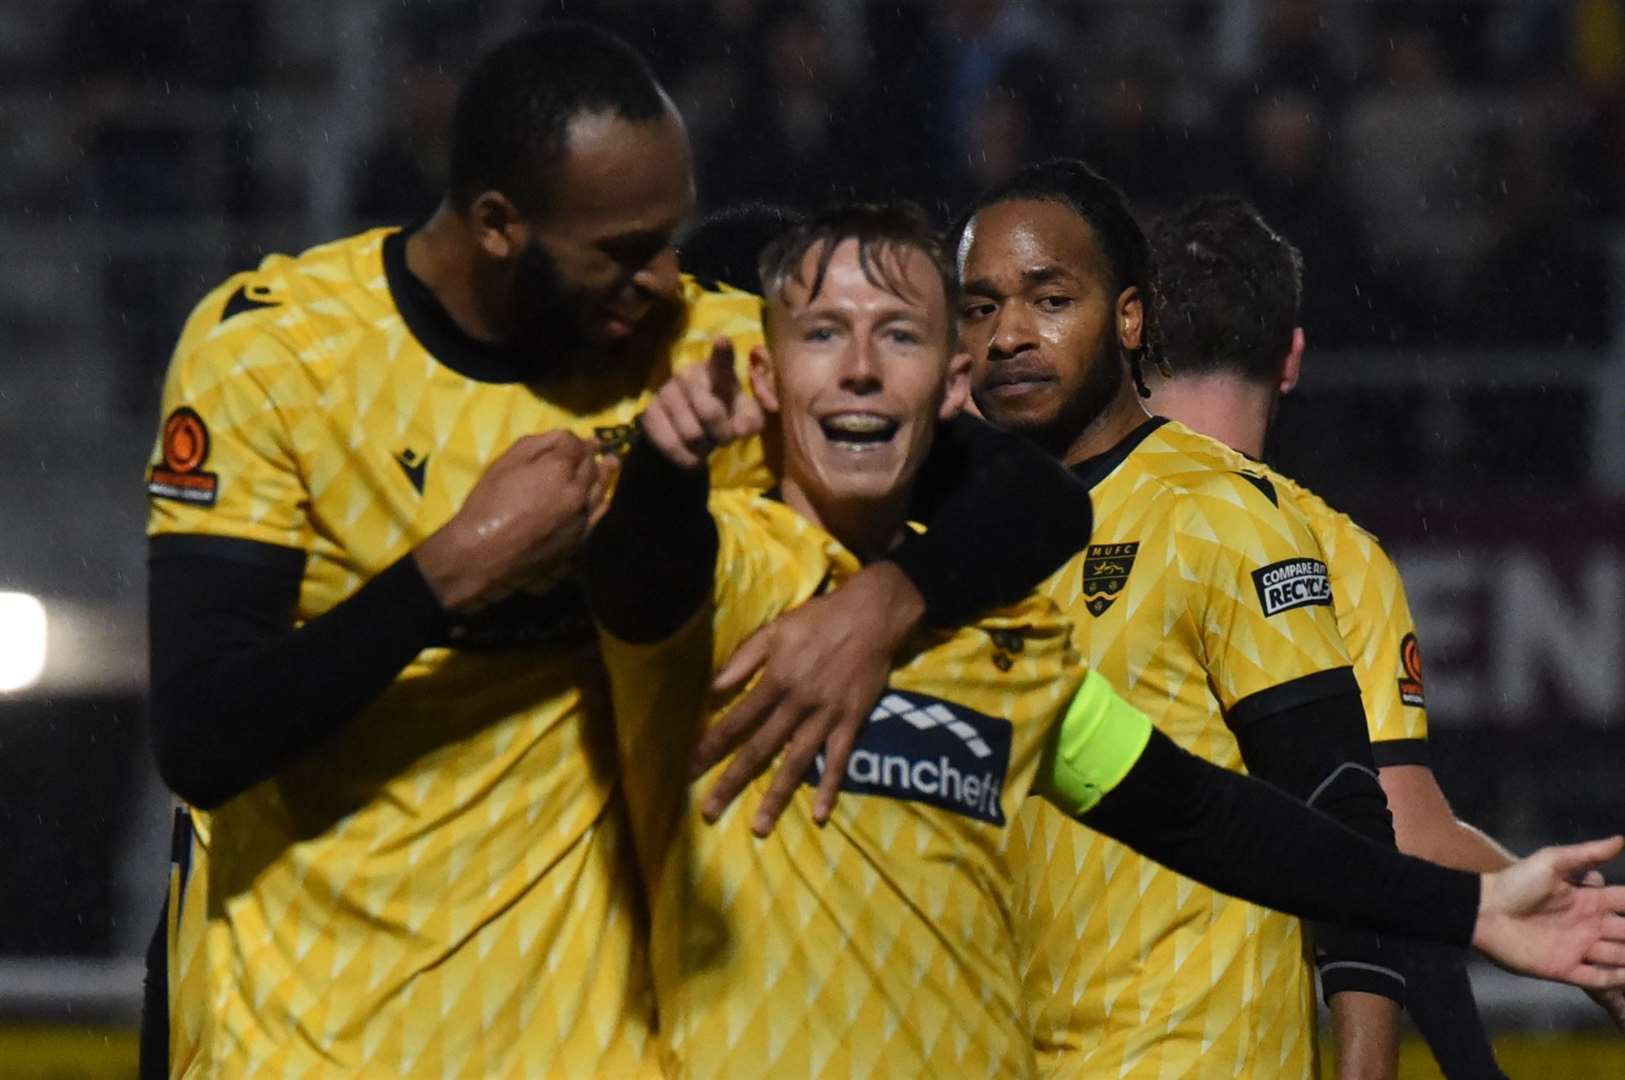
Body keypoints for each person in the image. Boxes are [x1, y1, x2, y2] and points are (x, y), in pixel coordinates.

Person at [140, 25, 1099, 1077]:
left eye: (669, 238)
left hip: (577, 1046)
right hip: (314, 1040)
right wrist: (449, 573)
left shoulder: (700, 355)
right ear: (499, 225)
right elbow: (203, 736)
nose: (662, 278)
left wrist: (880, 602)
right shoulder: (278, 355)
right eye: (622, 251)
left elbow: (1032, 501)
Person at [589, 200, 1625, 1078]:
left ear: (951, 386)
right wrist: (663, 466)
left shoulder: (1006, 642)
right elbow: (637, 578)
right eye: (821, 335)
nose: (859, 369)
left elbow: (1203, 812)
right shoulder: (723, 576)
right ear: (763, 378)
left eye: (897, 337)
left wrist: (1471, 908)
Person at [1142, 193, 1625, 1071]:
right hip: (1226, 1044)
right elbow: (1399, 832)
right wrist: (1571, 924)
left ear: (1127, 341)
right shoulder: (1328, 554)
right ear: (1290, 357)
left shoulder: (1035, 525)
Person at [952, 158, 1409, 1078]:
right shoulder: (948, 542)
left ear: (1128, 318)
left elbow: (1342, 819)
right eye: (978, 307)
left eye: (1047, 299)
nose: (1007, 335)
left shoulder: (1220, 513)